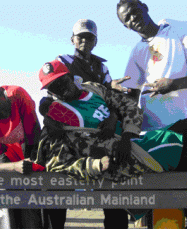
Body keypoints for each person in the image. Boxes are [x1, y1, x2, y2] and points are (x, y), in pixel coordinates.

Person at [34, 60, 187, 229]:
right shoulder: (56, 121)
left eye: (63, 81)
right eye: (54, 87)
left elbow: (130, 108)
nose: (61, 88)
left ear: (71, 77)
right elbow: (57, 163)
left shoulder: (93, 90)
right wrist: (95, 165)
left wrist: (124, 132)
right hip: (131, 160)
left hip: (138, 142)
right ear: (49, 92)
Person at [43, 18, 131, 228]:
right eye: (80, 36)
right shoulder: (63, 60)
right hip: (69, 130)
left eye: (90, 37)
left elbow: (111, 98)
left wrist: (113, 118)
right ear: (72, 39)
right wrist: (48, 116)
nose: (85, 40)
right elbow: (49, 94)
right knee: (59, 187)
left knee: (111, 189)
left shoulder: (102, 68)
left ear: (95, 41)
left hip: (99, 133)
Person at [116, 0, 187, 131]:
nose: (133, 18)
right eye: (127, 18)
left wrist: (173, 84)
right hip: (153, 130)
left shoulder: (178, 29)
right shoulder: (136, 52)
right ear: (127, 27)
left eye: (135, 11)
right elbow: (132, 95)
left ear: (145, 7)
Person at [0, 83, 45, 229]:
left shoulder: (17, 95)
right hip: (12, 168)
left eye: (3, 109)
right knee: (6, 200)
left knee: (32, 205)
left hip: (32, 158)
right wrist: (14, 167)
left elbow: (34, 135)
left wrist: (26, 167)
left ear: (3, 94)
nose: (4, 116)